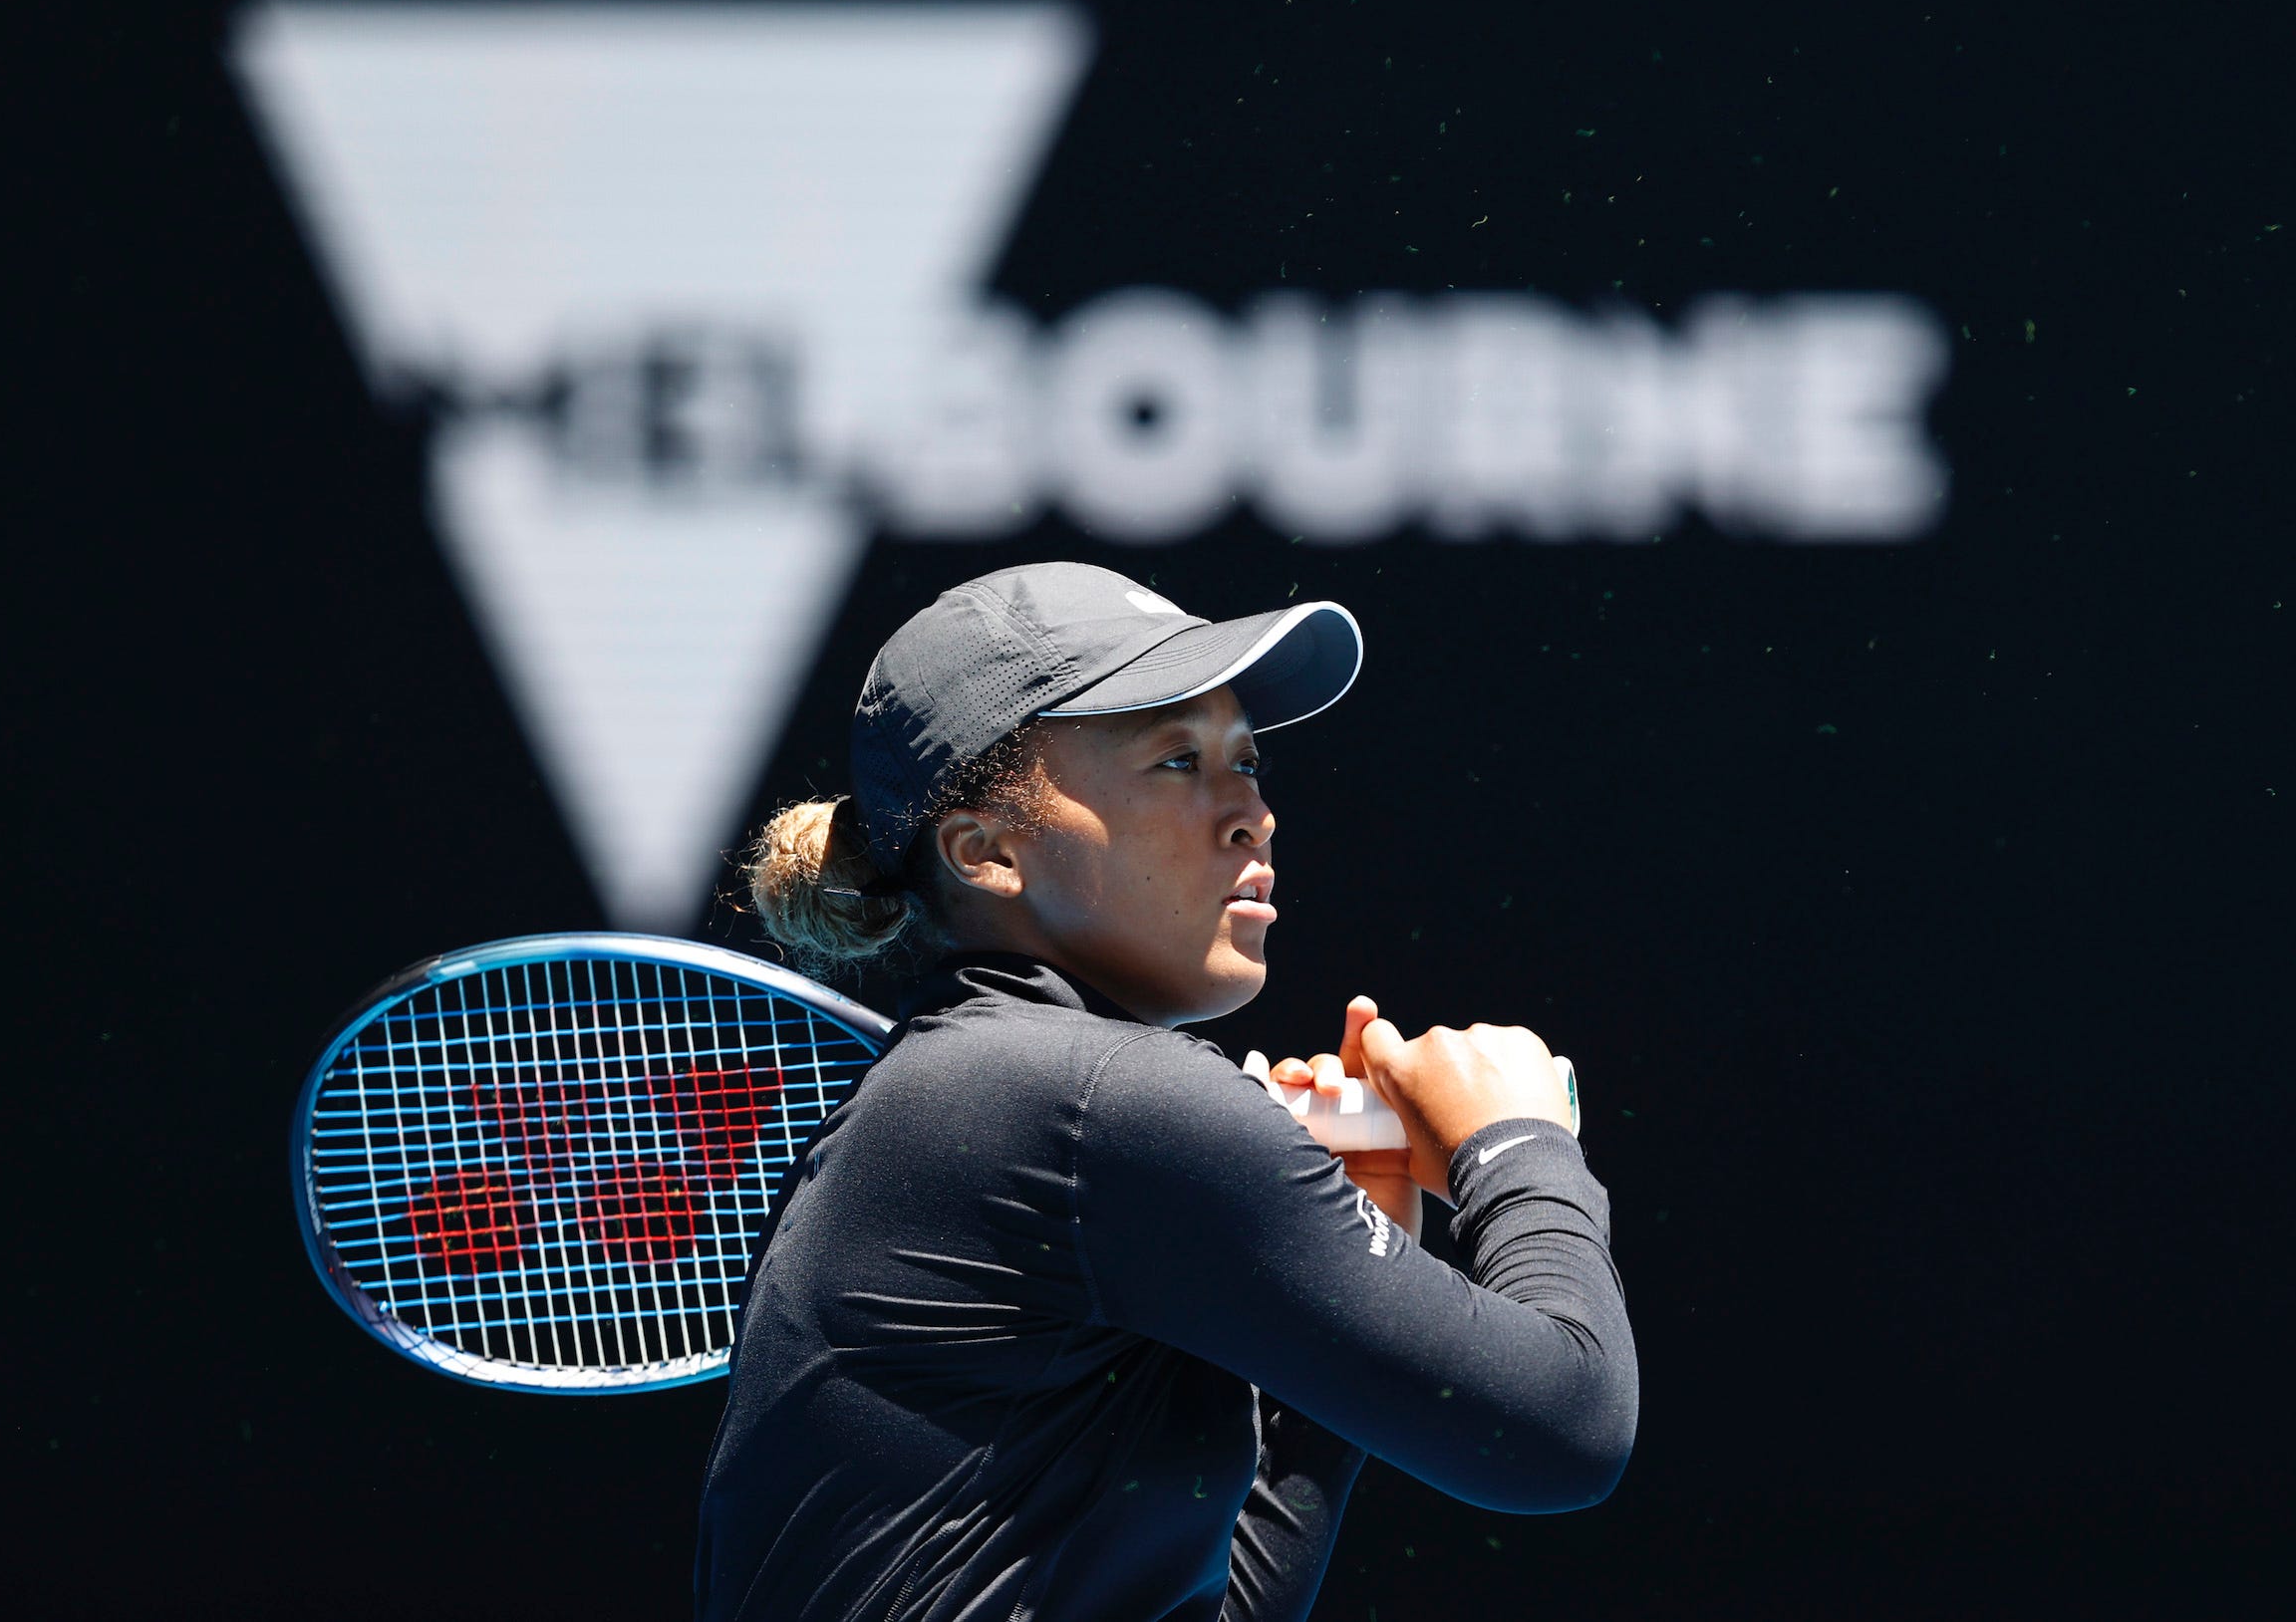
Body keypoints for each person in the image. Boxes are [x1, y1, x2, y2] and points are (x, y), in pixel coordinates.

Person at [694, 562, 1637, 1622]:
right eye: (1178, 760)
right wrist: (1519, 1145)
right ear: (988, 850)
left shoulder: (1026, 1100)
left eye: (1249, 761)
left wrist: (1342, 1297)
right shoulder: (1094, 1100)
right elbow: (1565, 1428)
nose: (1251, 815)